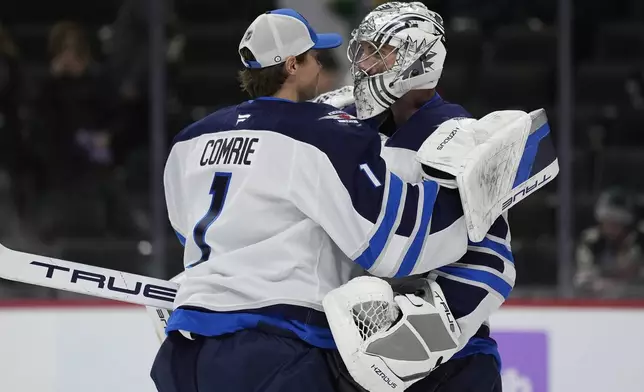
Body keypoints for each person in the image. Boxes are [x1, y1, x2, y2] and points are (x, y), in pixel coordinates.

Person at [151, 8, 479, 392]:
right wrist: (468, 197)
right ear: (292, 65)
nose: (322, 67)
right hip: (274, 345)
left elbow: (185, 231)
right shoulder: (322, 133)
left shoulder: (190, 140)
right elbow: (392, 246)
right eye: (314, 57)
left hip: (186, 347)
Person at [315, 2, 547, 390]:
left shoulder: (461, 139)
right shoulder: (340, 122)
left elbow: (492, 261)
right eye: (365, 50)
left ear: (419, 61)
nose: (365, 63)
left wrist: (422, 337)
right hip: (353, 356)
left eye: (379, 52)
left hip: (451, 366)